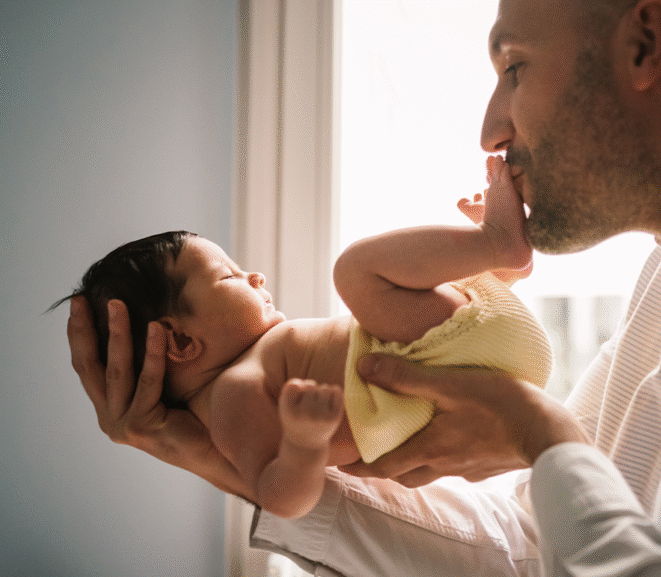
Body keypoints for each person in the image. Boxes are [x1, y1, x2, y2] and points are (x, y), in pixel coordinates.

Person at [68, 0, 661, 577]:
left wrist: (543, 435)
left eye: (513, 68)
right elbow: (536, 552)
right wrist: (217, 457)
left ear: (646, 42)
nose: (492, 125)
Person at [60, 157, 553, 518]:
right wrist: (302, 442)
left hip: (460, 353)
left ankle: (492, 260)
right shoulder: (233, 393)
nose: (254, 275)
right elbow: (279, 496)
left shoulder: (259, 364)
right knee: (353, 272)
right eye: (230, 277)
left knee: (374, 292)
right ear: (182, 343)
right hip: (446, 359)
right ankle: (494, 245)